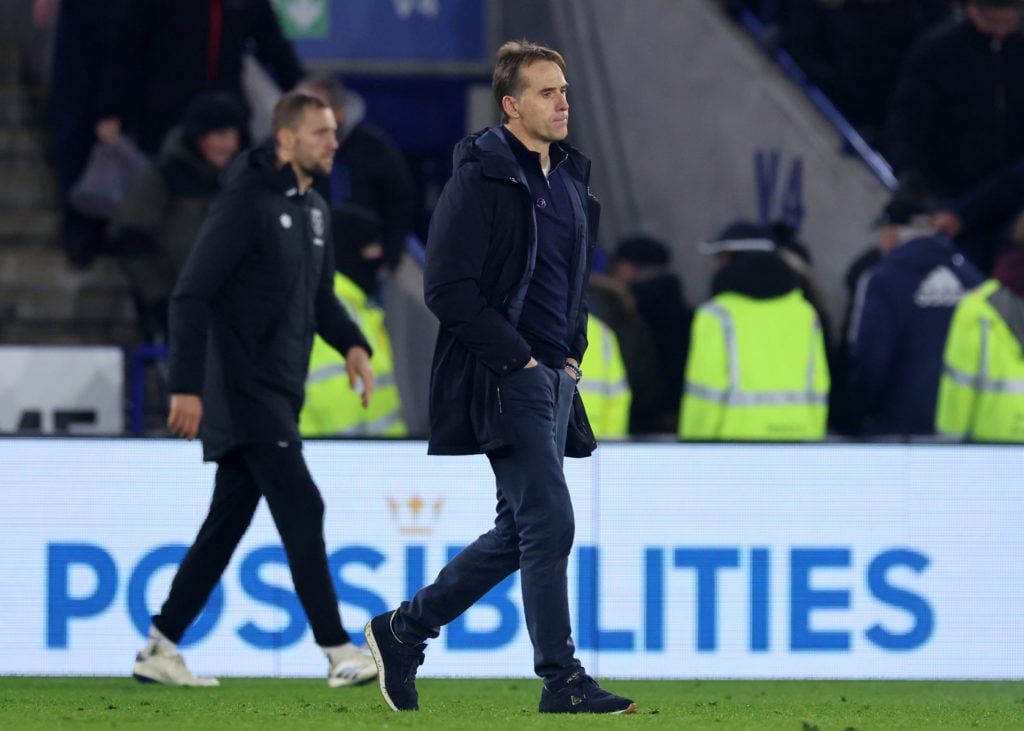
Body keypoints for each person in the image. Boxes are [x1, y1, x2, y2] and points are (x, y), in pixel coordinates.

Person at [362, 40, 636, 715]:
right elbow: (447, 288)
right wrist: (519, 359)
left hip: (553, 378)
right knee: (549, 520)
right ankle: (561, 677)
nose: (563, 101)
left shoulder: (570, 180)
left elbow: (571, 285)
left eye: (564, 89)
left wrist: (571, 351)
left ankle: (404, 630)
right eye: (547, 91)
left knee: (519, 532)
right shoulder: (479, 179)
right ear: (512, 106)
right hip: (504, 375)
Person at [132, 92, 377, 687]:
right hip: (243, 389)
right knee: (302, 502)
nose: (332, 143)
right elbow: (190, 294)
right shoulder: (245, 203)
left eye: (333, 132)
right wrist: (186, 387)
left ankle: (160, 647)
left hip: (278, 390)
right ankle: (338, 649)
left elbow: (320, 299)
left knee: (227, 524)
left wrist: (352, 342)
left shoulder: (316, 209)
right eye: (320, 133)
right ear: (287, 140)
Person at [885, 0, 1024, 271]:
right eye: (993, 22)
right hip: (946, 199)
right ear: (973, 9)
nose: (1001, 31)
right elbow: (906, 118)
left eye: (1009, 22)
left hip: (1009, 205)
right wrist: (910, 173)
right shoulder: (937, 49)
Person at [110, 91, 246, 345]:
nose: (230, 145)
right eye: (221, 135)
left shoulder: (239, 181)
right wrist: (160, 300)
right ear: (198, 137)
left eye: (233, 135)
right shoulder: (161, 178)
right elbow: (130, 242)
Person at [845, 194, 984, 437]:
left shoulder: (883, 279)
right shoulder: (974, 279)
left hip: (898, 429)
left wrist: (855, 416)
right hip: (964, 431)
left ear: (892, 233)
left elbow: (872, 359)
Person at [96, 0, 305, 155]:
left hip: (227, 114)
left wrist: (302, 89)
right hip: (167, 117)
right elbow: (126, 51)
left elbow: (274, 46)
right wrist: (112, 111)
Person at [679, 228, 829, 440]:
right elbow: (818, 386)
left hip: (733, 452)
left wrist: (694, 450)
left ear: (733, 260)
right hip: (797, 446)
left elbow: (704, 395)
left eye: (720, 259)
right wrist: (813, 440)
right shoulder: (804, 313)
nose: (715, 269)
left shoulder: (715, 316)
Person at [298, 73, 419, 300]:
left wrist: (389, 251)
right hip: (302, 270)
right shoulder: (284, 151)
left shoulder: (373, 147)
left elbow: (401, 202)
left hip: (359, 271)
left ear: (339, 112)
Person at [936, 211, 1024, 441]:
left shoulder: (976, 308)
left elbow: (956, 402)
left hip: (989, 462)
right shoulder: (976, 309)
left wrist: (950, 459)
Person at [607, 235, 693, 434]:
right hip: (678, 417)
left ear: (626, 268)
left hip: (639, 420)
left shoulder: (625, 316)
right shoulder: (689, 316)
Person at [576, 314, 631, 439]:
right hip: (595, 442)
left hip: (547, 443)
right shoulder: (601, 332)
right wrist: (612, 447)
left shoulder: (533, 328)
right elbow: (618, 398)